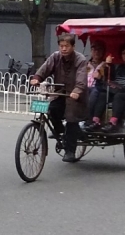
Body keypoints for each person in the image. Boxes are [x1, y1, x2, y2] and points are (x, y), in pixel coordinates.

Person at [29, 34, 87, 162]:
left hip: (75, 96)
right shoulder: (56, 57)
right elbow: (44, 69)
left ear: (73, 46)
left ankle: (70, 151)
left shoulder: (80, 60)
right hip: (60, 93)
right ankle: (61, 130)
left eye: (67, 46)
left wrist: (77, 91)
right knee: (51, 109)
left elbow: (82, 79)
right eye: (61, 46)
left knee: (71, 117)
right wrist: (36, 78)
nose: (64, 49)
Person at [87, 43, 125, 132]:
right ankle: (96, 121)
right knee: (103, 94)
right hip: (116, 89)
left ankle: (113, 122)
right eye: (124, 53)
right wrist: (108, 65)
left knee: (119, 96)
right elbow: (110, 79)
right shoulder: (118, 67)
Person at [86, 41, 107, 118]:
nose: (97, 52)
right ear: (91, 51)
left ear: (103, 52)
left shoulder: (107, 66)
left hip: (98, 88)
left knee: (94, 92)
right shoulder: (85, 64)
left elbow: (110, 81)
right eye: (94, 50)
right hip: (84, 87)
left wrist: (100, 77)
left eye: (99, 50)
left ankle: (88, 117)